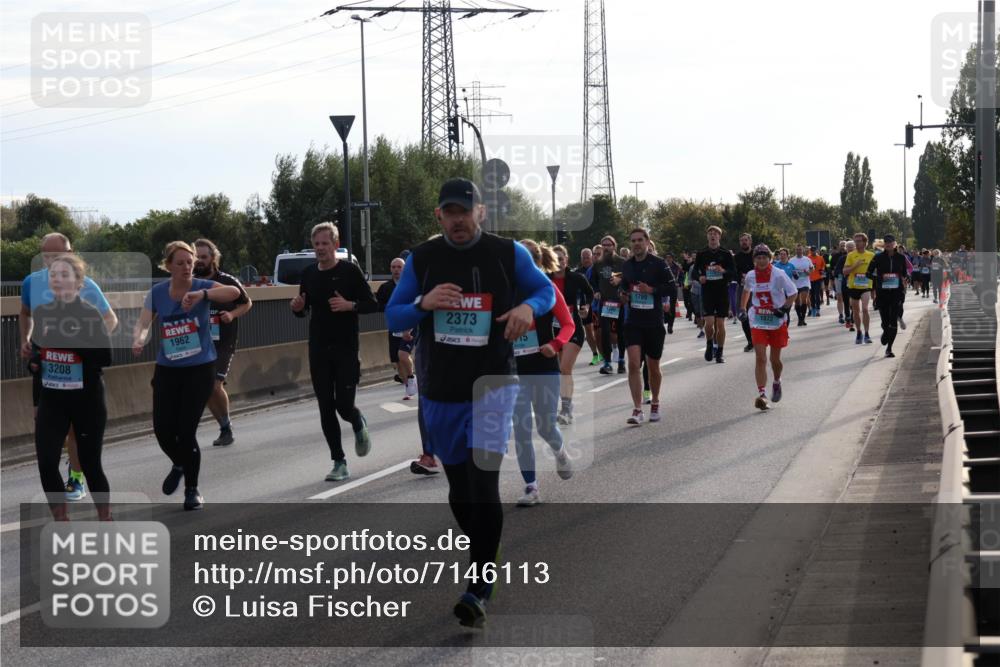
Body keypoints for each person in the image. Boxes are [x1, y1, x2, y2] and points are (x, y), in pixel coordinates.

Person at [385, 177, 555, 629]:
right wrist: (423, 302)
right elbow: (393, 314)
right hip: (441, 389)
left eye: (466, 210)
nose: (458, 219)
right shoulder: (423, 259)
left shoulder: (508, 253)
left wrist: (526, 310)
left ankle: (478, 587)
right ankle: (487, 544)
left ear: (481, 212)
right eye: (450, 212)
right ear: (439, 216)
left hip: (493, 384)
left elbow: (545, 293)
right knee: (460, 493)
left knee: (483, 486)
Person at [132, 241, 242, 511]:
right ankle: (180, 462)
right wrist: (139, 338)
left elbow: (235, 293)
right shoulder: (158, 292)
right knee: (162, 429)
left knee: (186, 430)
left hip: (199, 368)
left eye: (190, 262)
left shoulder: (201, 287)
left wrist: (204, 297)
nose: (186, 267)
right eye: (180, 262)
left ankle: (192, 490)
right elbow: (144, 322)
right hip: (168, 369)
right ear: (168, 265)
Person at [19, 232, 118, 502]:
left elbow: (110, 319)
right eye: (48, 255)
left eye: (60, 253)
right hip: (48, 367)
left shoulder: (85, 284)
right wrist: (27, 341)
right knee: (45, 422)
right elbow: (26, 314)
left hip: (79, 371)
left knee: (75, 428)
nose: (54, 260)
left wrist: (86, 343)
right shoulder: (31, 282)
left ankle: (76, 479)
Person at [290, 222, 377, 483]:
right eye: (316, 244)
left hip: (346, 348)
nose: (320, 249)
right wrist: (297, 307)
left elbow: (373, 305)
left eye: (325, 244)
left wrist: (349, 305)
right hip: (318, 348)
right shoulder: (308, 274)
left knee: (343, 406)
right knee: (325, 406)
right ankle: (339, 461)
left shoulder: (349, 272)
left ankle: (357, 419)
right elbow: (302, 309)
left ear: (335, 245)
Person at [513, 240, 575, 506]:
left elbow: (568, 325)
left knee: (545, 426)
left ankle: (560, 452)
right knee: (521, 428)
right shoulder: (505, 290)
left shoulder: (546, 289)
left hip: (542, 366)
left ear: (536, 262)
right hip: (513, 369)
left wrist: (555, 344)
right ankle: (531, 487)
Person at [193, 239, 252, 448]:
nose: (199, 261)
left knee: (214, 384)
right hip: (198, 342)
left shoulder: (227, 280)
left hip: (223, 341)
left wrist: (232, 314)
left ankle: (226, 427)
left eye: (203, 257)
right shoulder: (190, 282)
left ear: (213, 258)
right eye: (196, 257)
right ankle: (224, 427)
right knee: (205, 388)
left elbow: (247, 303)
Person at [615, 228, 675, 425]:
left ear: (648, 242)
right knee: (633, 364)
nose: (636, 243)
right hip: (633, 322)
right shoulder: (627, 265)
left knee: (653, 366)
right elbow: (624, 285)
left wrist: (652, 290)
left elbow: (672, 288)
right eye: (633, 241)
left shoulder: (658, 264)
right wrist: (623, 295)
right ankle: (637, 409)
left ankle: (655, 402)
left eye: (640, 240)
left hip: (653, 322)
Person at [740, 244, 797, 410]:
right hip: (758, 320)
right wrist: (743, 309)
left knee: (774, 360)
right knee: (760, 357)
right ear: (754, 260)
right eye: (758, 257)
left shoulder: (778, 274)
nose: (761, 260)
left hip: (776, 320)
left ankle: (777, 381)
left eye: (764, 257)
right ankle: (762, 394)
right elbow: (746, 291)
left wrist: (784, 308)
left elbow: (792, 292)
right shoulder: (751, 275)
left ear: (770, 258)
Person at [552, 244, 594, 426]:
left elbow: (590, 294)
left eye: (561, 258)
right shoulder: (545, 279)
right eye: (555, 258)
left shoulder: (577, 278)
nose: (558, 262)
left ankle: (566, 409)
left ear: (566, 260)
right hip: (553, 329)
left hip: (574, 328)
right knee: (558, 371)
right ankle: (565, 405)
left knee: (564, 368)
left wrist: (585, 307)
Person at [692, 226, 736, 363]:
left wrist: (723, 271)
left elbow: (733, 272)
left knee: (720, 324)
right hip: (708, 292)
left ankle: (720, 352)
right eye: (710, 233)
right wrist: (700, 277)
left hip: (722, 291)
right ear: (707, 237)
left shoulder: (726, 254)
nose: (712, 236)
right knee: (709, 323)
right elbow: (694, 271)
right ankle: (710, 344)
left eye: (715, 234)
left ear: (719, 237)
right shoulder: (702, 253)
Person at [377, 258, 418, 400]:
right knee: (397, 360)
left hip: (411, 325)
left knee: (403, 355)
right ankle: (408, 388)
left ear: (405, 269)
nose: (396, 270)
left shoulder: (412, 286)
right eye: (393, 267)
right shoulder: (385, 287)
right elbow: (378, 305)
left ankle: (412, 378)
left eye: (399, 267)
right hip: (395, 327)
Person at [866, 234, 909, 358]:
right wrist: (879, 279)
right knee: (885, 322)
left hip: (897, 293)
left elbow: (904, 274)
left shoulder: (901, 258)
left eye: (891, 242)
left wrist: (906, 279)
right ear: (884, 244)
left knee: (893, 322)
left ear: (895, 243)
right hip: (882, 293)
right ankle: (885, 331)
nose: (889, 244)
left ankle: (889, 349)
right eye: (886, 242)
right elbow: (868, 273)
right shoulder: (878, 257)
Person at [591, 236, 627, 375]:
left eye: (609, 245)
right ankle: (607, 363)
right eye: (604, 245)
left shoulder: (623, 262)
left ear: (614, 246)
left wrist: (621, 280)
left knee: (620, 333)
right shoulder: (598, 264)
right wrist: (596, 291)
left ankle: (622, 361)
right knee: (605, 333)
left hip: (619, 302)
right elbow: (592, 281)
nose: (606, 247)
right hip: (605, 303)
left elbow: (630, 278)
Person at [843, 233, 876, 345]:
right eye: (855, 241)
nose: (856, 243)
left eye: (859, 241)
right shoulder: (851, 255)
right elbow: (845, 271)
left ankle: (867, 333)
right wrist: (855, 265)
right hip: (853, 286)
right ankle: (859, 332)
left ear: (865, 242)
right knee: (856, 311)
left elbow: (876, 271)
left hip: (866, 286)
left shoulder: (871, 255)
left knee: (865, 309)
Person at [576, 248, 601, 365]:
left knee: (597, 330)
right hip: (583, 304)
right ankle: (595, 354)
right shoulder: (577, 272)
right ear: (581, 259)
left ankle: (603, 351)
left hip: (596, 303)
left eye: (588, 257)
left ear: (592, 257)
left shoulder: (597, 270)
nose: (586, 260)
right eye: (584, 257)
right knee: (588, 330)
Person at [733, 233, 755, 352]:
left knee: (754, 313)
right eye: (741, 241)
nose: (744, 242)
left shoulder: (756, 254)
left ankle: (758, 338)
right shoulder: (736, 257)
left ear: (750, 241)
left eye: (746, 240)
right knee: (742, 314)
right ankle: (750, 341)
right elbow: (733, 272)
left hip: (756, 288)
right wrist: (740, 277)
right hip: (742, 287)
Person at [789, 245, 814, 326]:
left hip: (805, 282)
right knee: (797, 302)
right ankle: (799, 318)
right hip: (795, 283)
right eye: (797, 250)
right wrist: (794, 273)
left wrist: (809, 272)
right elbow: (790, 270)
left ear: (802, 250)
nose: (799, 251)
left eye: (800, 249)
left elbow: (812, 268)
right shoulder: (792, 260)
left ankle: (802, 318)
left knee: (804, 300)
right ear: (795, 250)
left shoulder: (807, 259)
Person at [808, 246, 826, 317]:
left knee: (817, 294)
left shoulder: (820, 258)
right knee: (811, 295)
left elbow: (823, 266)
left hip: (818, 278)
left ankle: (818, 309)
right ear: (810, 251)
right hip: (810, 279)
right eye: (812, 250)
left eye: (814, 250)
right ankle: (813, 309)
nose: (813, 252)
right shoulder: (808, 258)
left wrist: (822, 271)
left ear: (816, 250)